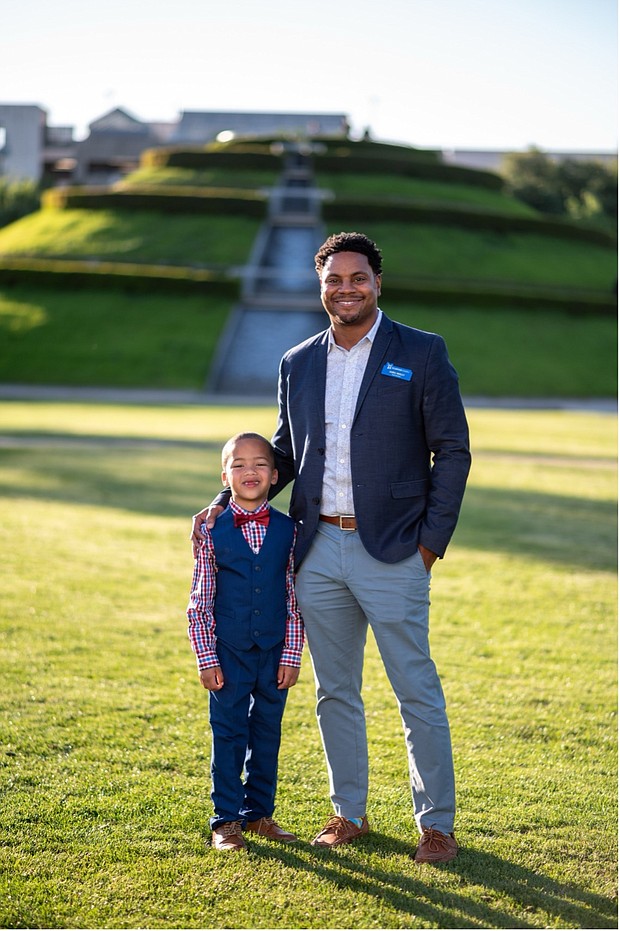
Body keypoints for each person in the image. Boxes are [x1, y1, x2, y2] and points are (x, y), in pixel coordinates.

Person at [192, 231, 471, 862]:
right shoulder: (298, 361)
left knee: (415, 690)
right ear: (321, 288)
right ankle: (349, 813)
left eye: (358, 278)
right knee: (334, 690)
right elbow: (290, 453)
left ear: (377, 282)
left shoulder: (421, 352)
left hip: (396, 550)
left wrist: (431, 542)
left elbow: (451, 449)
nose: (346, 289)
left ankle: (436, 825)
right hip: (316, 552)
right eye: (333, 280)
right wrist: (230, 498)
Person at [187, 432, 304, 852]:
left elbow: (292, 596)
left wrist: (291, 654)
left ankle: (259, 815)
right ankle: (226, 821)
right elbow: (199, 603)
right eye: (238, 465)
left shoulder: (290, 530)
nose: (249, 471)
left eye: (259, 464)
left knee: (267, 734)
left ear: (275, 476)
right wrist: (206, 657)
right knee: (229, 733)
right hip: (228, 652)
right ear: (224, 476)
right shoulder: (211, 530)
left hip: (274, 652)